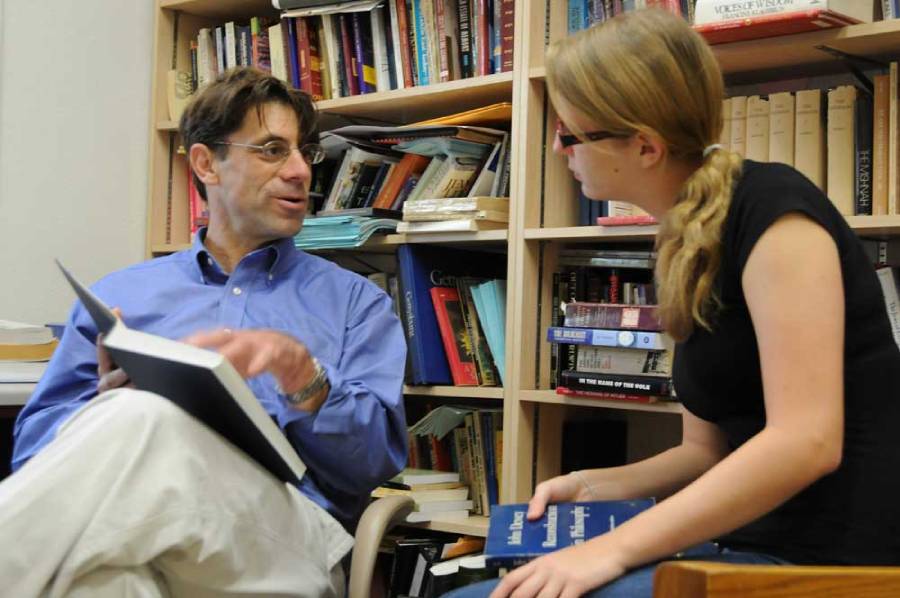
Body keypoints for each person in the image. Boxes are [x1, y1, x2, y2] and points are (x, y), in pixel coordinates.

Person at [445, 8, 900, 598]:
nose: (560, 151)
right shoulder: (688, 236)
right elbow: (703, 452)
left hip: (831, 562)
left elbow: (806, 441)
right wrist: (589, 487)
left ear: (645, 146)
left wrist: (608, 552)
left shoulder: (777, 215)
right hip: (745, 547)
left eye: (569, 134)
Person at [2, 67, 408, 597]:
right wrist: (102, 415)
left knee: (141, 416)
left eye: (304, 152)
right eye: (271, 150)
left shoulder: (359, 303)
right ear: (204, 163)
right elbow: (34, 454)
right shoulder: (121, 296)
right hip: (142, 530)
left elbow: (372, 466)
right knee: (106, 580)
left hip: (286, 539)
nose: (300, 171)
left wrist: (307, 381)